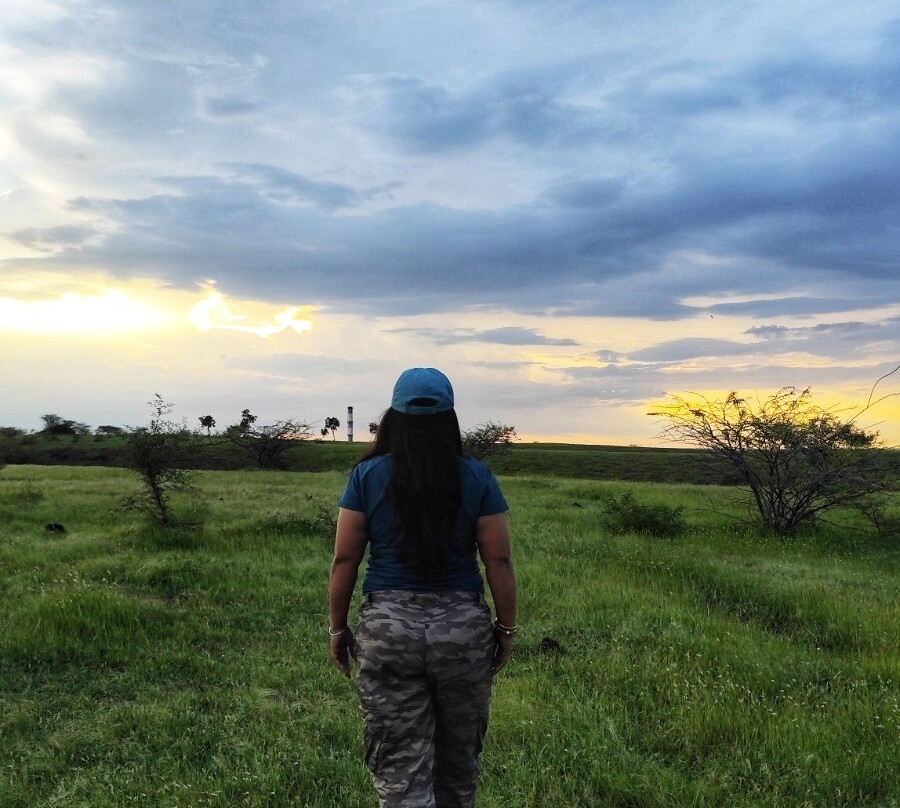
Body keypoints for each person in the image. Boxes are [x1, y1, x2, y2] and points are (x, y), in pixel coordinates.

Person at [328, 367, 517, 808]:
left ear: (393, 417)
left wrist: (338, 629)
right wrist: (506, 630)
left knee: (399, 772)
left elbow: (345, 560)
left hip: (388, 632)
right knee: (458, 770)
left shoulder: (366, 476)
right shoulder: (477, 476)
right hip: (463, 634)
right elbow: (498, 561)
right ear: (450, 418)